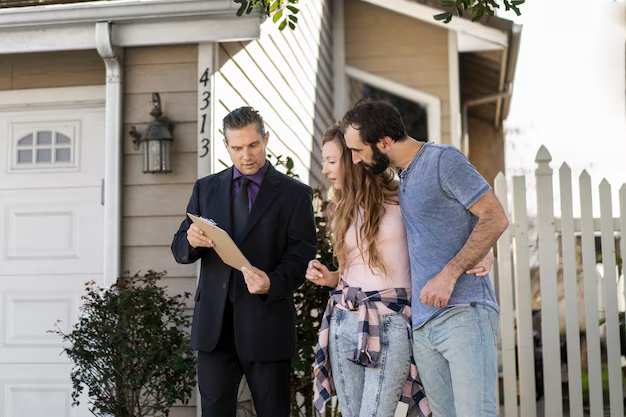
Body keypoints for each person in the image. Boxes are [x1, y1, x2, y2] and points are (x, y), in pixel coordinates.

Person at [308, 124, 493, 417]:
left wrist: (487, 251)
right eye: (324, 162)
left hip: (390, 321)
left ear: (354, 160)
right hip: (344, 317)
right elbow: (351, 269)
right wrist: (330, 277)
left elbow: (456, 221)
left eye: (332, 161)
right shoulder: (338, 210)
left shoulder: (400, 199)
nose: (326, 170)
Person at [171, 106, 316, 417]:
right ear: (226, 146)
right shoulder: (205, 188)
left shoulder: (295, 194)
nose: (246, 155)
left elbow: (301, 255)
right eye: (237, 148)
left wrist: (272, 282)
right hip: (214, 327)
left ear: (265, 138)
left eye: (253, 145)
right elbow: (180, 246)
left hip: (267, 324)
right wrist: (192, 242)